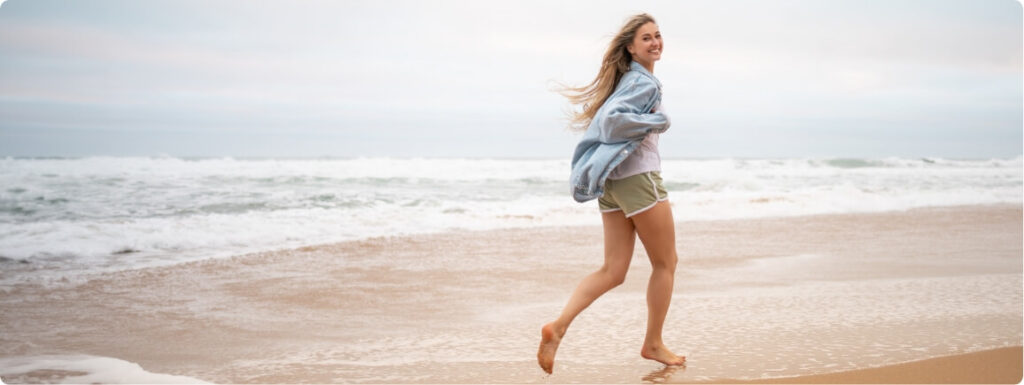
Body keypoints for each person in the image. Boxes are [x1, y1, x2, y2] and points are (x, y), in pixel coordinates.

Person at [537, 13, 685, 374]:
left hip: (613, 183)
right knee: (666, 263)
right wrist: (659, 121)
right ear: (631, 48)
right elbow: (612, 122)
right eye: (646, 38)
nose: (655, 42)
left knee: (613, 270)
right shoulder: (643, 83)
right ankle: (653, 343)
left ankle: (558, 327)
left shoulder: (626, 81)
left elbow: (609, 120)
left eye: (657, 35)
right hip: (638, 178)